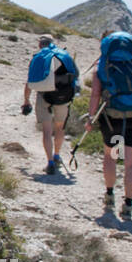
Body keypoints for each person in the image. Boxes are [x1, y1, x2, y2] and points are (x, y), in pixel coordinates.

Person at [85, 29, 132, 220]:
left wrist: (91, 118)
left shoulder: (103, 66)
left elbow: (95, 94)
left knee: (112, 156)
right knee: (131, 163)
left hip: (113, 120)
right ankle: (128, 204)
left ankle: (109, 194)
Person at [21, 33, 76, 175]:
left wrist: (26, 100)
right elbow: (75, 77)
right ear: (52, 42)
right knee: (60, 127)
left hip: (44, 97)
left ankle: (49, 161)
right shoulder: (64, 55)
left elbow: (30, 82)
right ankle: (57, 155)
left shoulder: (38, 58)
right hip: (63, 97)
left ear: (40, 44)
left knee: (46, 130)